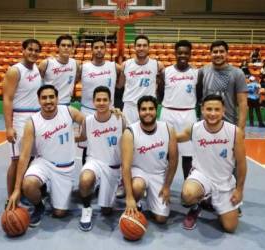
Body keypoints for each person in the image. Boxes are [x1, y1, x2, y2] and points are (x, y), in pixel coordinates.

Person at [6, 85, 85, 228]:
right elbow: (24, 156)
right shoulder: (32, 122)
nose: (48, 101)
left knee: (60, 213)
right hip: (43, 162)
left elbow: (92, 123)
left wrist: (81, 137)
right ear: (38, 100)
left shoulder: (69, 112)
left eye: (51, 97)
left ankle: (54, 194)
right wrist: (17, 189)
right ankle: (39, 206)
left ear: (57, 98)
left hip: (64, 168)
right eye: (44, 98)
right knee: (28, 185)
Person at [177, 94, 247, 233]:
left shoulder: (234, 132)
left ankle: (213, 201)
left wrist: (239, 190)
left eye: (216, 109)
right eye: (209, 109)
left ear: (223, 111)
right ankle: (196, 206)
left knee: (230, 227)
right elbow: (172, 137)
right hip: (201, 176)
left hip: (224, 182)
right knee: (188, 194)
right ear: (202, 110)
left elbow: (241, 164)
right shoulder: (194, 129)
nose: (213, 113)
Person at [121, 95, 178, 224]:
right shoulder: (130, 132)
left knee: (161, 219)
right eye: (144, 109)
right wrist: (129, 197)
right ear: (138, 111)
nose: (147, 112)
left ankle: (152, 201)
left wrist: (167, 186)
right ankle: (137, 202)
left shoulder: (168, 129)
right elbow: (125, 167)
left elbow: (174, 161)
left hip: (158, 174)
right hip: (138, 172)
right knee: (137, 186)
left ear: (156, 110)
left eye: (151, 109)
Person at [76, 86, 125, 231]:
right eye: (98, 100)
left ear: (110, 101)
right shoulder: (88, 121)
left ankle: (106, 192)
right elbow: (82, 137)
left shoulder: (119, 118)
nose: (101, 103)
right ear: (93, 102)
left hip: (113, 166)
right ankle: (86, 209)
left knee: (106, 211)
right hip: (94, 161)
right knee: (85, 179)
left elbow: (130, 138)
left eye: (105, 100)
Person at [3, 38, 42, 199]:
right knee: (16, 160)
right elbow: (7, 99)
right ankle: (11, 196)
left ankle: (25, 191)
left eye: (36, 50)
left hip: (37, 118)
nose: (33, 53)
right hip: (20, 118)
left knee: (32, 158)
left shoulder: (37, 69)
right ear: (23, 50)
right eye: (30, 49)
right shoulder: (15, 71)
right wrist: (8, 127)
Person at [158, 40, 198, 179]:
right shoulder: (165, 72)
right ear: (175, 53)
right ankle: (162, 184)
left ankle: (188, 184)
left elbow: (198, 94)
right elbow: (160, 93)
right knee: (167, 153)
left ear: (190, 54)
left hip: (188, 113)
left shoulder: (196, 73)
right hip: (168, 113)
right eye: (180, 52)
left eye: (186, 53)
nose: (183, 55)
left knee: (188, 154)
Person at [79, 37, 121, 165]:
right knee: (87, 146)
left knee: (107, 144)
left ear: (106, 49)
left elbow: (124, 78)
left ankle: (107, 175)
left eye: (102, 47)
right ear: (91, 50)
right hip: (87, 111)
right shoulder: (83, 68)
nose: (99, 50)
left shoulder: (114, 66)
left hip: (109, 112)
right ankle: (87, 176)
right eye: (96, 48)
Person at [197, 40, 247, 135]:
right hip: (206, 125)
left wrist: (241, 128)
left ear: (227, 53)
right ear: (210, 54)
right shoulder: (202, 72)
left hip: (229, 125)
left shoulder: (237, 73)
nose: (218, 54)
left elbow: (243, 103)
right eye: (215, 52)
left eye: (221, 51)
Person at [117, 35, 164, 125]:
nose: (141, 48)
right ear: (134, 47)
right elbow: (120, 85)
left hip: (148, 107)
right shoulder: (125, 65)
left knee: (148, 136)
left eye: (144, 45)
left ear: (148, 47)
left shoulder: (157, 65)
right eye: (139, 45)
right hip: (130, 107)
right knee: (129, 135)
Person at [39, 34, 80, 105]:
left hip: (67, 103)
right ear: (58, 47)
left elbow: (76, 80)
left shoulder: (75, 64)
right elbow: (37, 83)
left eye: (69, 46)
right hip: (49, 104)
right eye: (63, 45)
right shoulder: (46, 63)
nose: (66, 48)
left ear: (72, 48)